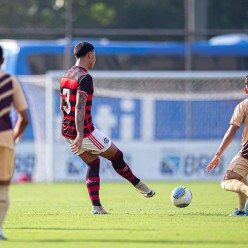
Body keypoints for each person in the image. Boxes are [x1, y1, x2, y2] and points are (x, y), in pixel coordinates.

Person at [60, 42, 155, 214]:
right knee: (117, 155)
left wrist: (72, 133)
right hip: (85, 132)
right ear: (89, 55)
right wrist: (81, 134)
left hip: (66, 131)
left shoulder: (66, 75)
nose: (94, 59)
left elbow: (64, 105)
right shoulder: (84, 78)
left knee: (93, 162)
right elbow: (79, 107)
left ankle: (96, 207)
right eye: (94, 56)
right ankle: (139, 185)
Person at [206, 75, 248, 216]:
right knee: (238, 176)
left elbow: (232, 130)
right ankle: (242, 210)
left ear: (246, 90)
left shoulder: (244, 105)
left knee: (228, 180)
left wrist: (218, 154)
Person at [0, 45, 29, 240]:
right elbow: (24, 118)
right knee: (2, 186)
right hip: (4, 138)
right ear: (3, 60)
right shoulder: (10, 81)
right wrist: (15, 137)